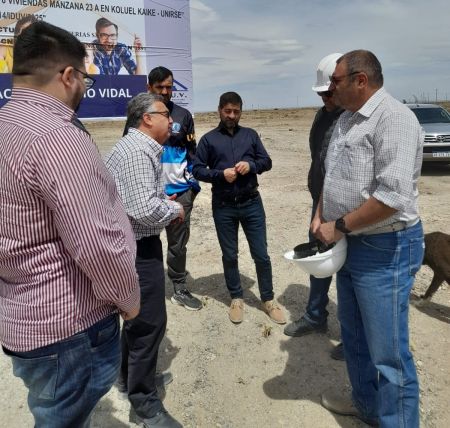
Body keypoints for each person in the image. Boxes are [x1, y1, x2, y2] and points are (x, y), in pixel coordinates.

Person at [0, 21, 140, 427]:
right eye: (84, 78)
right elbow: (97, 244)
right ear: (67, 75)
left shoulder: (7, 124)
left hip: (25, 317)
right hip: (70, 329)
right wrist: (129, 301)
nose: (84, 87)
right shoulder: (57, 137)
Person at [315, 50, 424, 427]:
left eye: (335, 81)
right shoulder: (347, 119)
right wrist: (320, 214)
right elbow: (332, 174)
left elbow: (393, 197)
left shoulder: (394, 119)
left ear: (360, 81)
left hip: (385, 248)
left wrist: (339, 226)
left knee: (388, 354)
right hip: (351, 242)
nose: (330, 89)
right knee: (355, 336)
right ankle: (367, 406)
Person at [105, 92, 184, 428]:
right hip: (138, 249)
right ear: (147, 118)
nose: (172, 120)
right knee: (149, 324)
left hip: (132, 246)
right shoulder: (138, 152)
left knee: (137, 321)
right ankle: (144, 402)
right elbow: (143, 209)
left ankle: (130, 378)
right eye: (166, 113)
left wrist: (161, 201)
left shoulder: (136, 147)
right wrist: (174, 209)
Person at [193, 91, 286, 325]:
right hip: (223, 205)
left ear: (241, 112)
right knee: (229, 254)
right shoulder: (208, 140)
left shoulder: (250, 135)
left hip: (251, 203)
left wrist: (251, 165)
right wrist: (219, 174)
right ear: (219, 110)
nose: (232, 116)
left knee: (261, 254)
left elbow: (267, 162)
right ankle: (236, 298)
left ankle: (268, 299)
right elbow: (196, 169)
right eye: (228, 111)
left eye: (236, 111)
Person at [124, 66, 202, 311]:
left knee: (178, 244)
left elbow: (192, 153)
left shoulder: (183, 115)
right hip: (149, 195)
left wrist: (192, 187)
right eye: (160, 87)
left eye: (169, 87)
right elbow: (131, 150)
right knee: (145, 243)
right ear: (149, 87)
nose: (166, 92)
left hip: (180, 193)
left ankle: (179, 287)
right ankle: (145, 288)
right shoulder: (138, 116)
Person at [283, 53, 345, 361]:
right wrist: (319, 206)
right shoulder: (322, 116)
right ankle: (315, 315)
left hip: (349, 209)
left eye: (329, 93)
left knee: (349, 271)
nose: (324, 98)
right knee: (318, 261)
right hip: (320, 202)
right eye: (321, 93)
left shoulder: (354, 119)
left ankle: (353, 335)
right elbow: (318, 160)